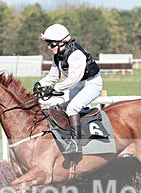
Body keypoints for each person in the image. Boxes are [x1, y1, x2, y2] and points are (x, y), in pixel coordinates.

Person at [33, 23, 103, 155]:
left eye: (51, 44)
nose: (49, 47)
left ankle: (76, 144)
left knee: (72, 108)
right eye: (48, 44)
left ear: (62, 42)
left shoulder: (76, 54)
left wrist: (54, 88)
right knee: (55, 105)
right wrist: (41, 84)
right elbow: (53, 76)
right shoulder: (58, 55)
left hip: (92, 84)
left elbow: (73, 80)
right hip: (78, 85)